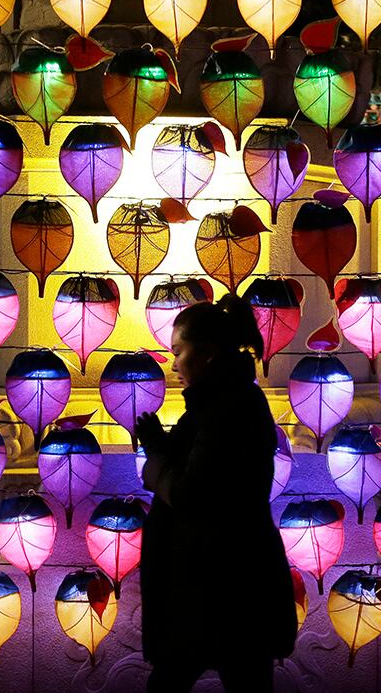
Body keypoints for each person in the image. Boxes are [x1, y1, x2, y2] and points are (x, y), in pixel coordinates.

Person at [135, 294, 297, 693]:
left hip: (218, 586)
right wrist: (164, 447)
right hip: (223, 583)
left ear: (206, 353)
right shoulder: (223, 401)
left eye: (178, 351)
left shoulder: (226, 407)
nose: (173, 364)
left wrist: (157, 465)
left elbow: (195, 492)